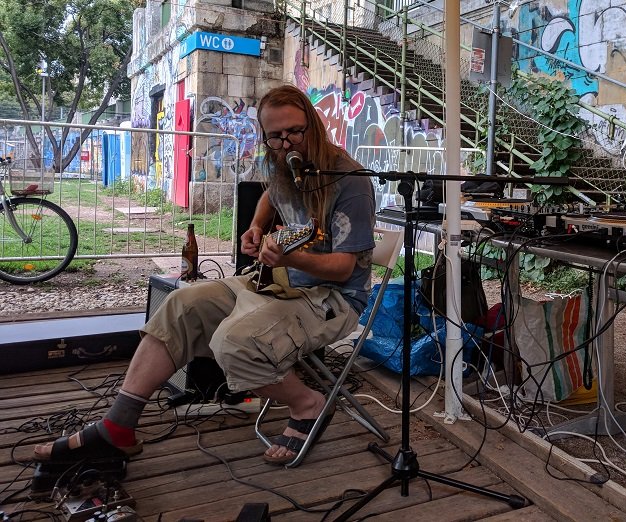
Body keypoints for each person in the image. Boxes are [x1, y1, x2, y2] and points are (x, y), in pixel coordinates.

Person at [33, 85, 376, 465]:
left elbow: (345, 268)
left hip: (331, 299)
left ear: (314, 123)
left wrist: (291, 260)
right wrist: (257, 225)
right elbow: (271, 194)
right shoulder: (282, 163)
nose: (287, 143)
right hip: (277, 283)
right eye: (275, 136)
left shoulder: (350, 181)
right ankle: (118, 426)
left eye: (295, 131)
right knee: (180, 303)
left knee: (233, 342)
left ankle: (307, 403)